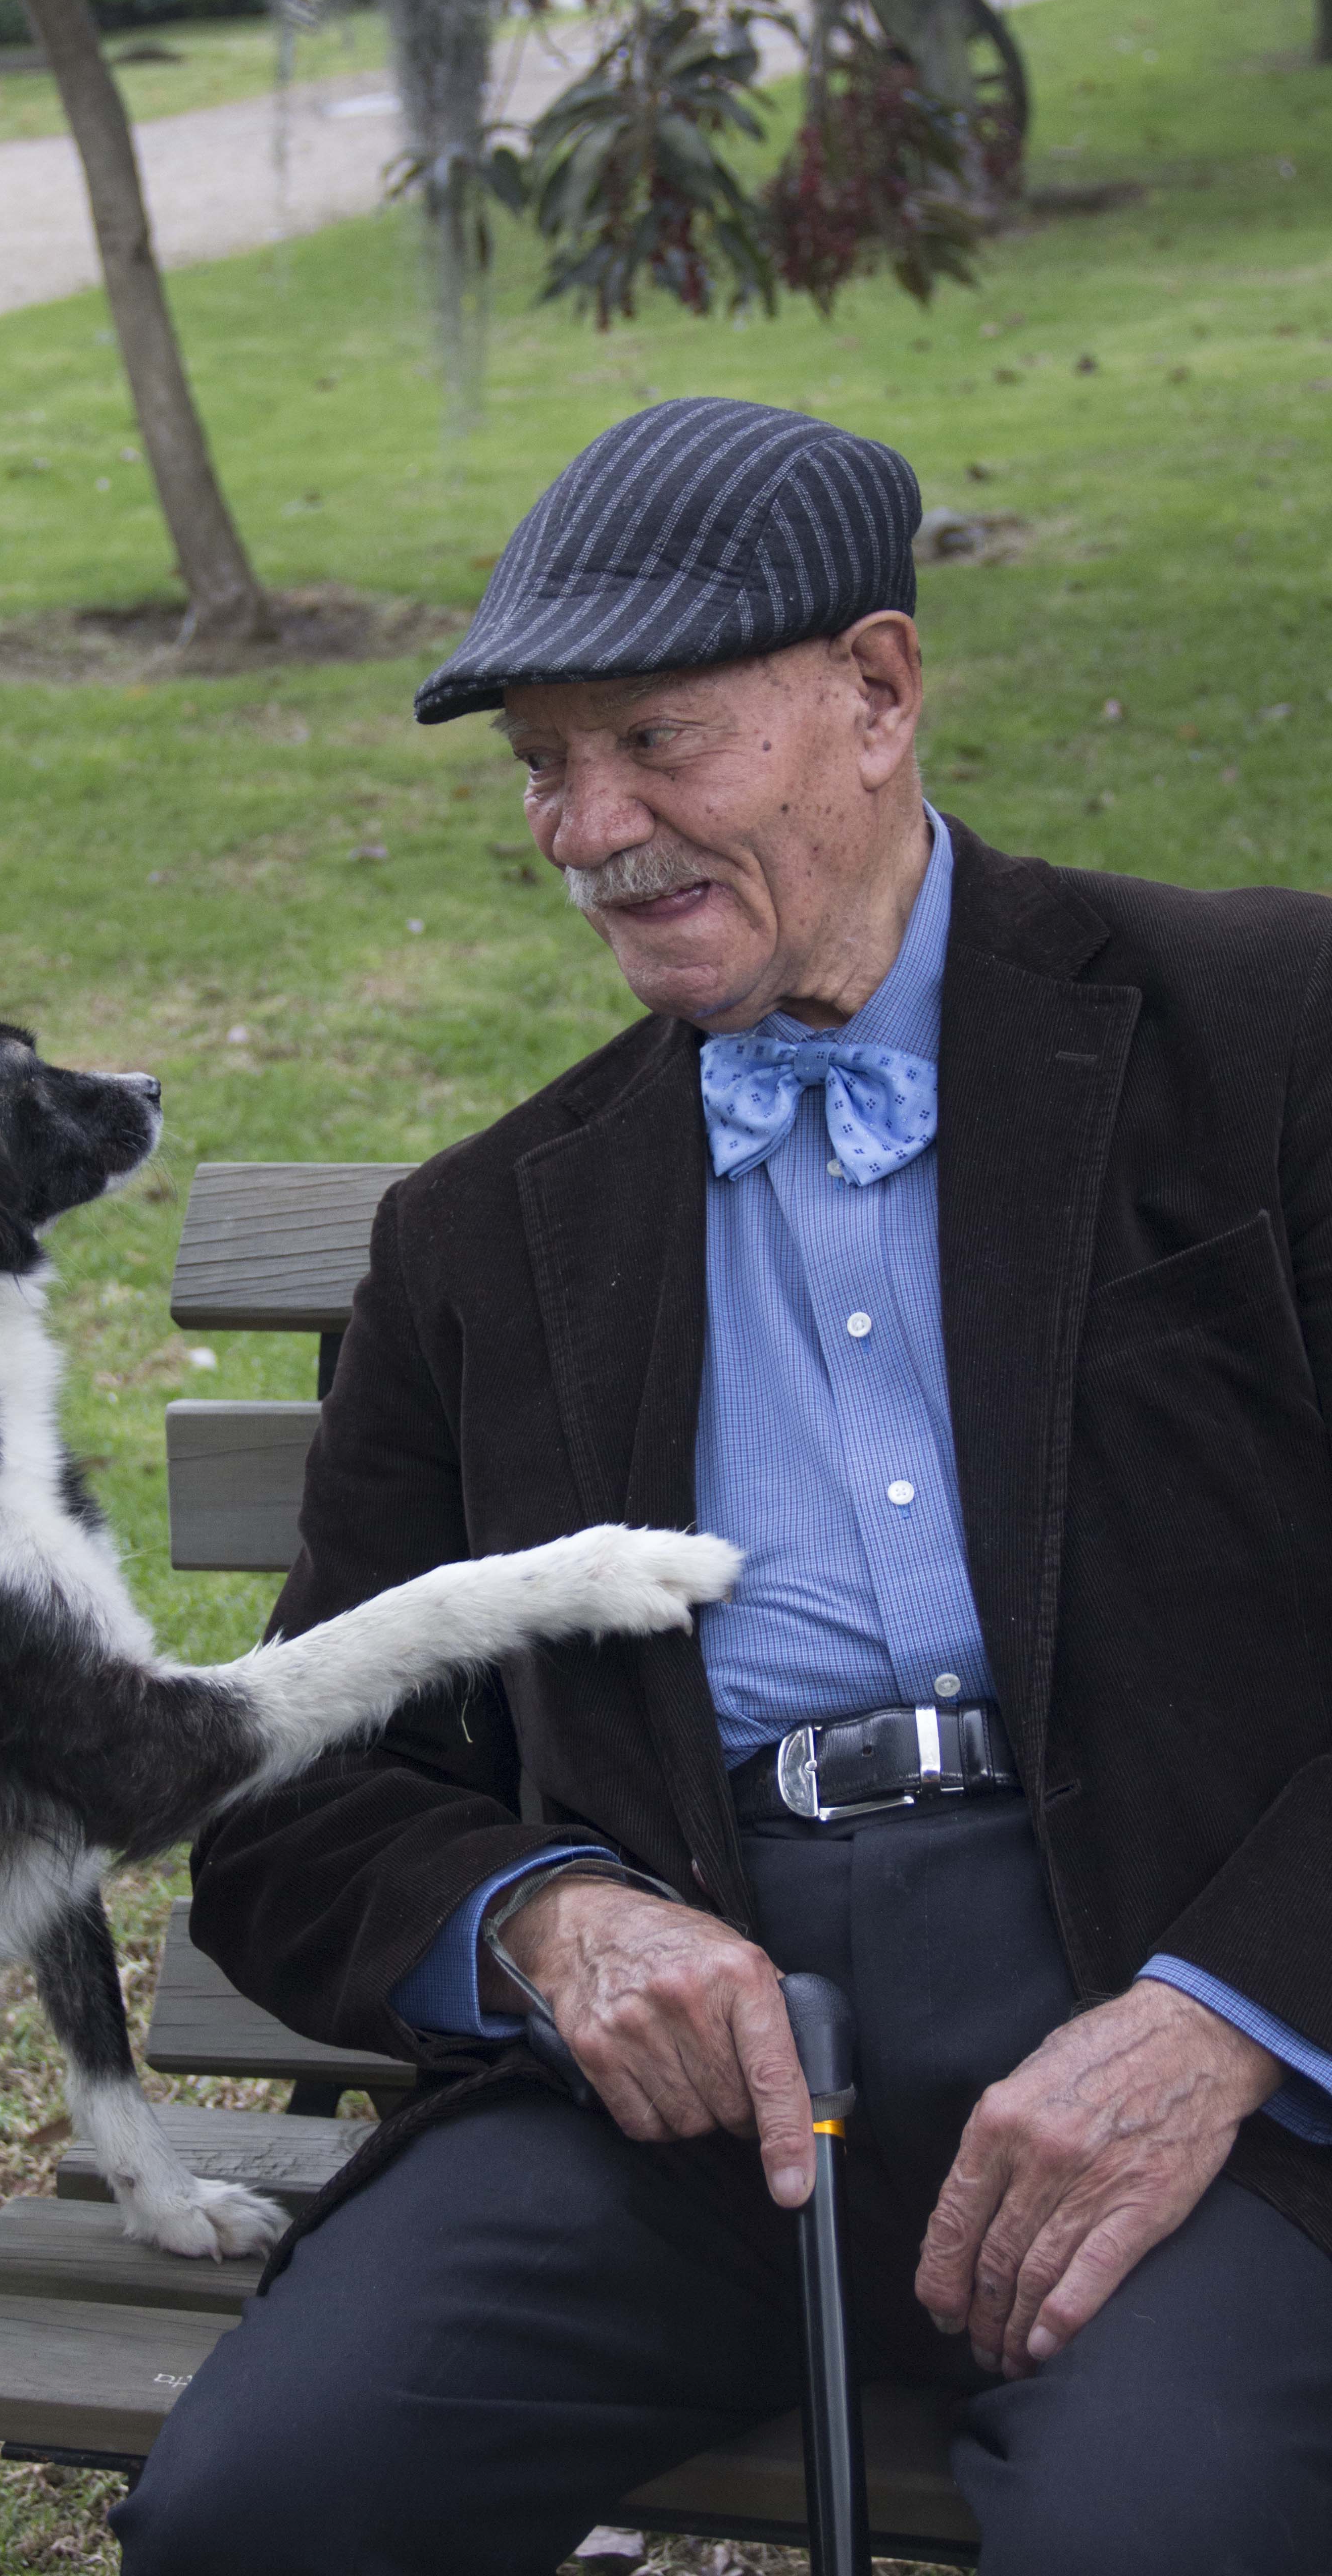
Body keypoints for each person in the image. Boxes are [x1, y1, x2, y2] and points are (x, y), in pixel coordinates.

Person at [111, 398, 1332, 2575]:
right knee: (255, 2513)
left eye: (655, 742)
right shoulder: (487, 1238)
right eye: (540, 769)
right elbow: (291, 1797)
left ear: (875, 693)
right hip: (699, 2094)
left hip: (1192, 2036)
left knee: (1169, 2533)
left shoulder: (1265, 1037)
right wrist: (549, 1925)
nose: (590, 829)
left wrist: (1225, 2019)